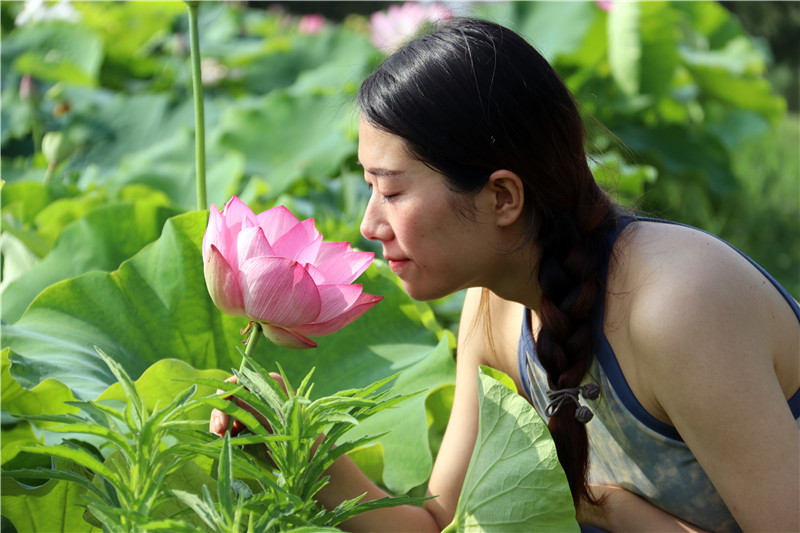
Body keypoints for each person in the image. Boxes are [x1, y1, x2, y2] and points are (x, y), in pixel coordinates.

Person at [210, 17, 800, 532]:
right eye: (369, 188)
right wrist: (297, 445)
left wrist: (619, 513)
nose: (369, 224)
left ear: (502, 197)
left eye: (391, 191)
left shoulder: (676, 308)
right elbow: (437, 523)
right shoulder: (494, 307)